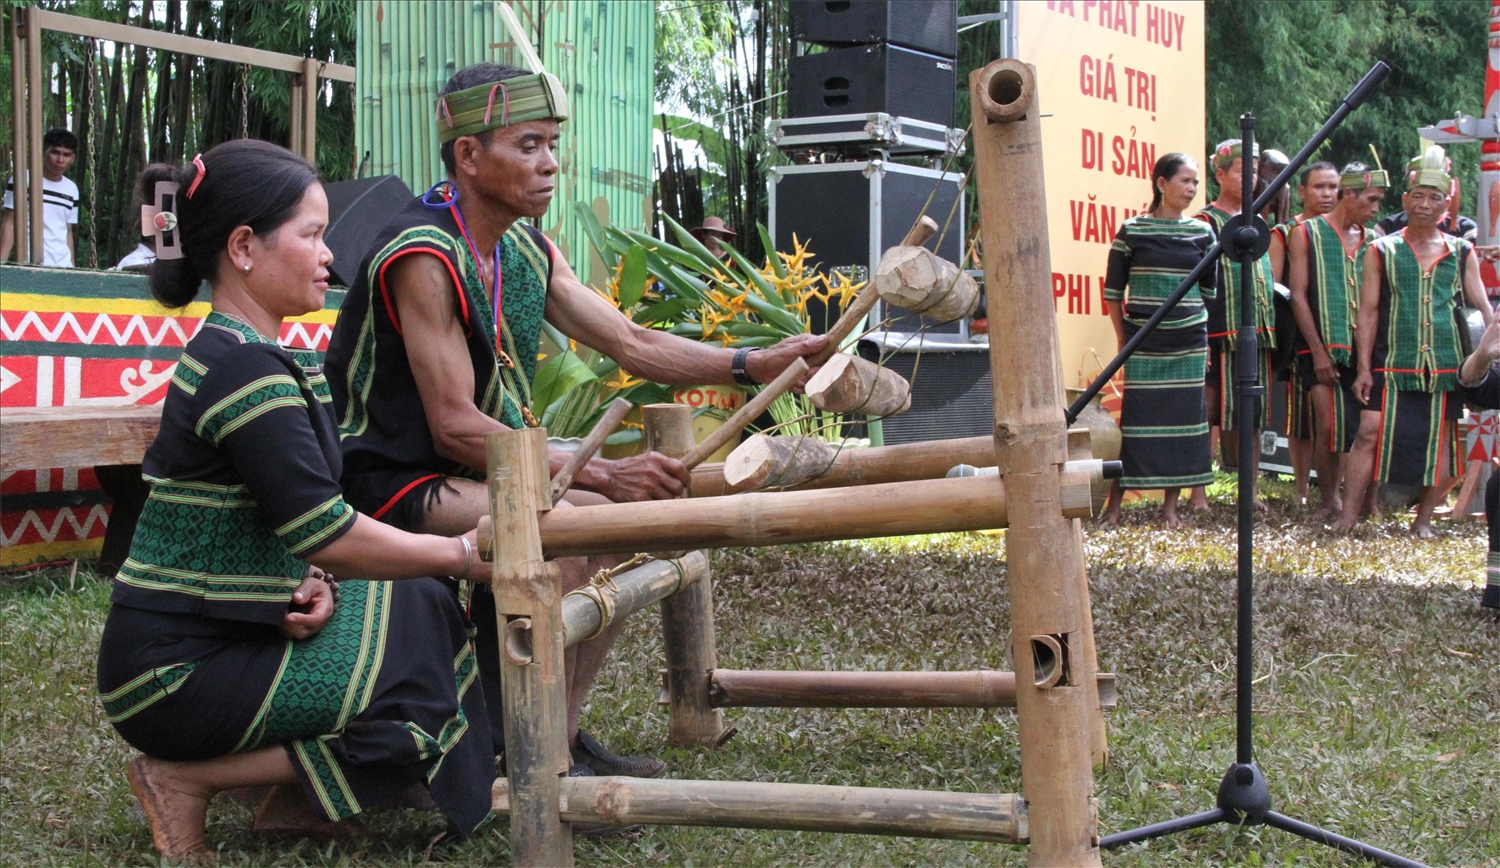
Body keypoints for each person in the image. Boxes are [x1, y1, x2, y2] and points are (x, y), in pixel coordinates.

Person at [324, 63, 825, 780]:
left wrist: (754, 360)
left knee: (623, 534)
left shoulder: (526, 247)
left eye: (553, 143)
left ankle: (552, 739)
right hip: (395, 482)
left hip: (482, 468)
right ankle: (524, 750)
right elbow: (455, 428)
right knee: (578, 534)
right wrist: (597, 469)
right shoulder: (424, 257)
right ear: (469, 156)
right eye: (528, 145)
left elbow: (634, 342)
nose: (551, 163)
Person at [96, 140, 495, 863]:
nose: (329, 255)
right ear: (244, 247)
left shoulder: (255, 353)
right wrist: (463, 554)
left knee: (424, 610)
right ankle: (185, 777)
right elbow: (324, 528)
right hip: (169, 678)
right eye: (311, 235)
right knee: (419, 700)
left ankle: (294, 799)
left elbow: (280, 524)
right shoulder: (245, 369)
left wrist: (310, 580)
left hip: (217, 638)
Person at [1333, 146, 1493, 537]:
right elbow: (1368, 311)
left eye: (1434, 197)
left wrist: (1492, 348)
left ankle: (1422, 521)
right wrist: (1365, 366)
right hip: (1393, 358)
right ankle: (1348, 516)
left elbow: (1484, 307)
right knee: (1369, 431)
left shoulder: (1461, 251)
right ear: (1405, 200)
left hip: (1445, 362)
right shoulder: (1381, 249)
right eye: (1417, 196)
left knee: (1442, 439)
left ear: (1446, 203)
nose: (1424, 204)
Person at [1099, 153, 1217, 527]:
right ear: (1161, 184)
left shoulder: (1203, 233)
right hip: (1144, 344)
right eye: (1184, 180)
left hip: (1189, 343)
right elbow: (1113, 293)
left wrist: (1206, 343)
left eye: (1196, 182)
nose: (1192, 189)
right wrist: (1124, 339)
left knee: (1184, 422)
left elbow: (1208, 296)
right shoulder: (1132, 231)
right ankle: (1113, 507)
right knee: (1136, 422)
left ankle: (1171, 509)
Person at [1286, 162, 1387, 522]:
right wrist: (1316, 351)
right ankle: (1329, 500)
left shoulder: (1376, 241)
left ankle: (1366, 501)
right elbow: (1298, 295)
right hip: (1320, 346)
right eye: (1371, 200)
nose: (1376, 208)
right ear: (1350, 195)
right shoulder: (1305, 232)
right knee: (1328, 425)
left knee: (1368, 426)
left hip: (1368, 350)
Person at [1197, 139, 1278, 504]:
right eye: (1242, 171)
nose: (1251, 179)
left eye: (1255, 171)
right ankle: (1197, 491)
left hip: (1255, 333)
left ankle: (1249, 492)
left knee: (1252, 413)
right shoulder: (1205, 221)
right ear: (1220, 174)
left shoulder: (1259, 220)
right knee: (1208, 411)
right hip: (1218, 331)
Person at [1268, 161, 1339, 504]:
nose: (1326, 194)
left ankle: (1336, 488)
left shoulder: (1348, 231)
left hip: (1340, 333)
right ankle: (1300, 489)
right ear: (1302, 191)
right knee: (1301, 416)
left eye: (1332, 187)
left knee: (1338, 416)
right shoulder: (1283, 232)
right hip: (1298, 335)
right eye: (1319, 187)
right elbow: (1275, 286)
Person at [1, 128, 80, 266]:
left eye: (66, 155)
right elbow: (10, 222)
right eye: (55, 152)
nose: (60, 160)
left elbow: (67, 231)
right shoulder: (23, 180)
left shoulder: (71, 189)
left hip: (63, 266)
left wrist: (72, 267)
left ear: (72, 158)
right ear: (44, 151)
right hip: (30, 262)